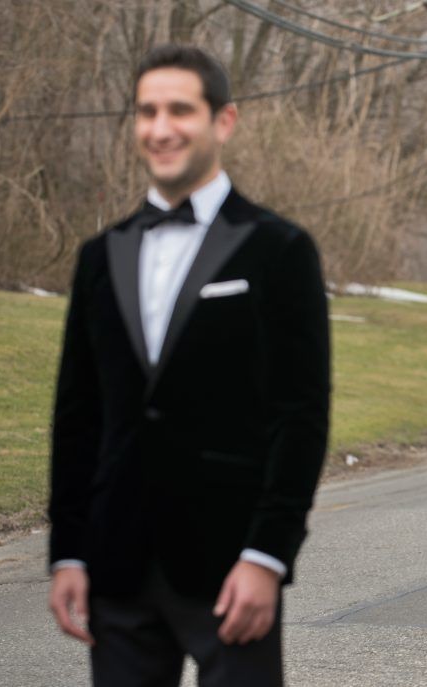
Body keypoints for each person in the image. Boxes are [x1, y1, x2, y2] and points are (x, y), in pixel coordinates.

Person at [47, 44, 330, 685]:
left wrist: (267, 555)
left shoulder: (278, 249)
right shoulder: (100, 254)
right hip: (115, 562)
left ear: (222, 121)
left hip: (229, 564)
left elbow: (301, 414)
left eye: (180, 109)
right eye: (147, 112)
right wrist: (67, 551)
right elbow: (78, 415)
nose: (161, 127)